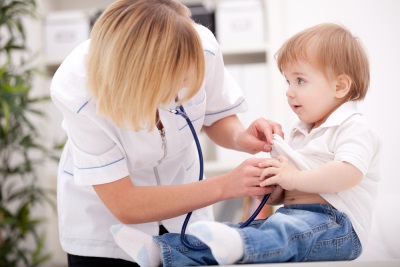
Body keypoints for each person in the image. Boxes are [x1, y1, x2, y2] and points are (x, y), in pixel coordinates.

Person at [111, 22, 382, 266]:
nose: (289, 91)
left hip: (339, 229)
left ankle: (235, 246)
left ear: (340, 86)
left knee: (279, 233)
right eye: (287, 80)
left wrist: (293, 177)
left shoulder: (353, 127)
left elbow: (347, 174)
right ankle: (163, 250)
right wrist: (276, 192)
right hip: (298, 219)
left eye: (300, 80)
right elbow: (299, 190)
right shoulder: (301, 133)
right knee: (243, 230)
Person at [50, 0, 283, 266]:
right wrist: (225, 185)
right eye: (176, 83)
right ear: (140, 77)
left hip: (186, 215)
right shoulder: (78, 90)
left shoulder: (200, 47)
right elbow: (125, 204)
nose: (184, 89)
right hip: (107, 229)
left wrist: (241, 138)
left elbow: (216, 114)